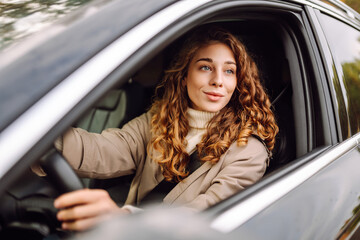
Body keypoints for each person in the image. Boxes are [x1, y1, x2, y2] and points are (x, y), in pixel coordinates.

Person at [53, 26, 278, 231]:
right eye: (206, 67)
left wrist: (124, 217)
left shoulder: (248, 149)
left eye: (229, 71)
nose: (218, 80)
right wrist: (42, 142)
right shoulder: (158, 120)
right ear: (184, 76)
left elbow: (208, 215)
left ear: (238, 81)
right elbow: (102, 150)